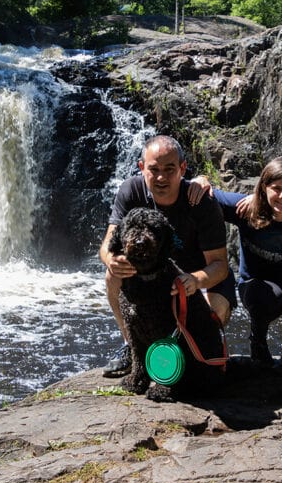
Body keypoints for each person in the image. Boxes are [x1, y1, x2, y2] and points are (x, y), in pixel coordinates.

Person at [99, 135, 236, 377]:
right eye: (154, 169)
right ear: (142, 168)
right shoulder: (131, 190)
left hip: (200, 277)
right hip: (157, 274)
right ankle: (132, 347)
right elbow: (108, 244)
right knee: (113, 275)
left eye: (169, 169)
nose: (161, 177)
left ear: (182, 168)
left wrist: (195, 280)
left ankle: (195, 357)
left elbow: (220, 266)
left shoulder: (200, 202)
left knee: (215, 313)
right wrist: (111, 260)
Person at [202, 156, 282, 367]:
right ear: (264, 187)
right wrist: (200, 179)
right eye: (276, 188)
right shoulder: (243, 208)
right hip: (257, 286)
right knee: (265, 299)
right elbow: (206, 196)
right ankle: (258, 339)